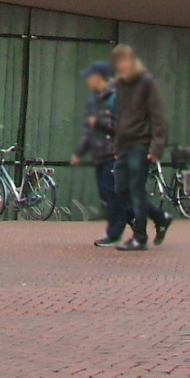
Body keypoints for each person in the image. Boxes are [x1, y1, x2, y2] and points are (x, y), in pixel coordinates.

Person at [111, 44, 172, 251]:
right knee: (121, 188)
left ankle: (140, 237)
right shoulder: (121, 85)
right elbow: (119, 119)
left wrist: (156, 148)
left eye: (124, 62)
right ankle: (160, 217)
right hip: (124, 146)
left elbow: (158, 117)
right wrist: (116, 146)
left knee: (136, 190)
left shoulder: (147, 84)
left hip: (141, 144)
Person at [71, 60, 130, 248]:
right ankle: (142, 215)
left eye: (89, 77)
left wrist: (99, 123)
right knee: (106, 193)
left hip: (113, 152)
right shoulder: (94, 100)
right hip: (99, 154)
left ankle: (114, 234)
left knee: (112, 193)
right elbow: (89, 130)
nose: (88, 81)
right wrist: (79, 152)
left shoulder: (116, 96)